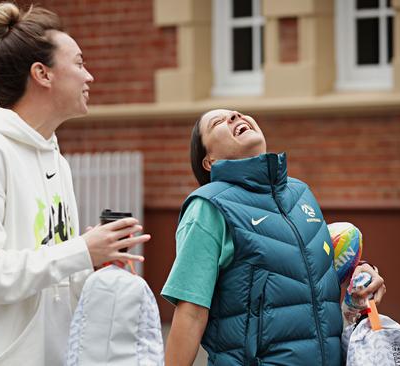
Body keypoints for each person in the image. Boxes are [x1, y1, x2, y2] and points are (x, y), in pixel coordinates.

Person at [0, 3, 151, 366]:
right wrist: (79, 252)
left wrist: (91, 265)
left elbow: (50, 273)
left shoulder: (56, 160)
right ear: (42, 74)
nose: (89, 76)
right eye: (78, 63)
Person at [162, 109, 387, 365]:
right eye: (218, 123)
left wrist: (363, 272)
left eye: (237, 113)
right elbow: (190, 314)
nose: (235, 116)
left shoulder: (300, 193)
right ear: (209, 161)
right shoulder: (209, 207)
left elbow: (309, 272)